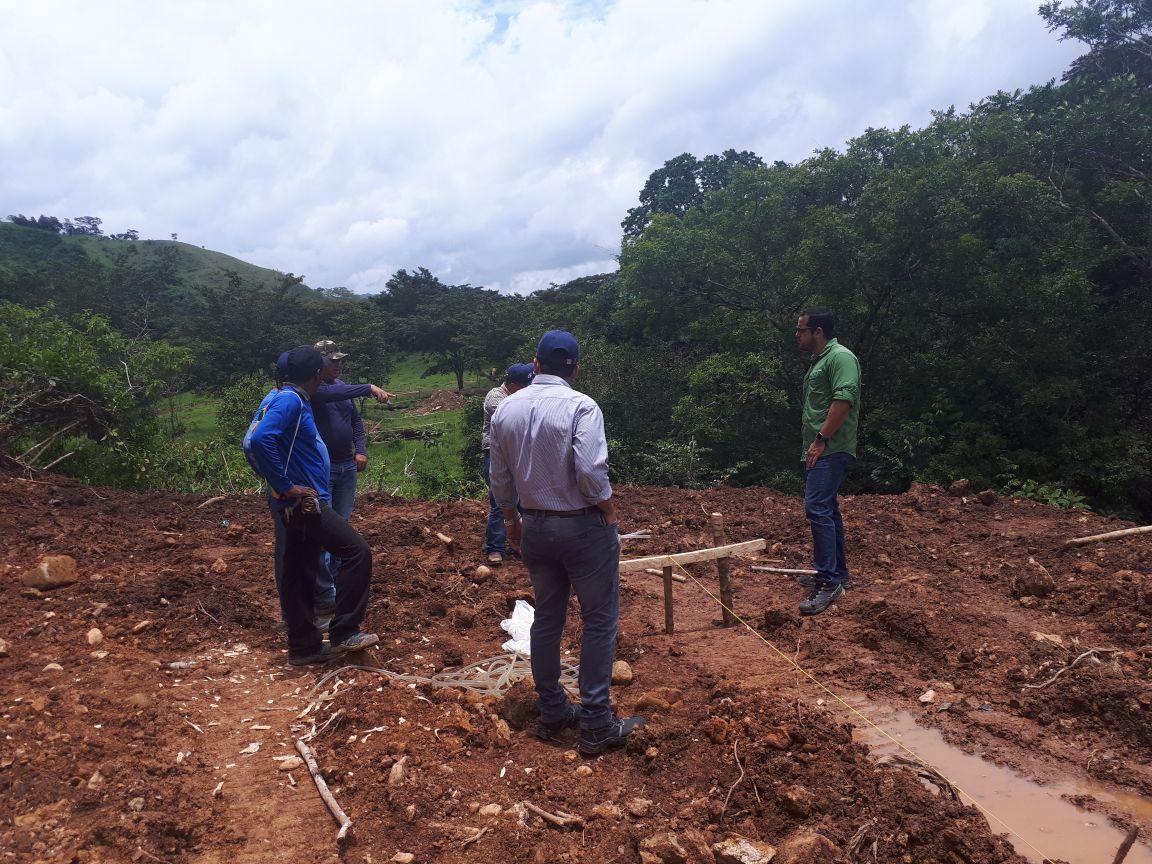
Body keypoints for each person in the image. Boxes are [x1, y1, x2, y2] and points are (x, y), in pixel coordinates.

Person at [489, 330, 645, 756]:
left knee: (547, 618)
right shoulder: (582, 406)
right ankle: (596, 723)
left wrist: (511, 520)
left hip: (535, 527)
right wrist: (609, 510)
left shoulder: (506, 409)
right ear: (575, 370)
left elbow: (500, 477)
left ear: (535, 365)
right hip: (581, 528)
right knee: (599, 621)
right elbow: (591, 471)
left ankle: (553, 709)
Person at [246, 346, 379, 665]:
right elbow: (259, 441)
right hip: (304, 502)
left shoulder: (277, 396)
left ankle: (304, 647)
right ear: (317, 375)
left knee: (299, 571)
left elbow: (251, 440)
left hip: (292, 502)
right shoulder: (291, 401)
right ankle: (345, 631)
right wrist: (285, 485)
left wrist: (278, 486)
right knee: (356, 552)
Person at [311, 340, 394, 619]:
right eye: (332, 360)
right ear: (319, 363)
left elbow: (355, 421)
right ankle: (323, 593)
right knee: (324, 528)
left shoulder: (342, 387)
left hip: (346, 465)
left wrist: (361, 449)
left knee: (341, 525)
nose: (338, 364)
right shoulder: (315, 390)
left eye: (340, 360)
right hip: (323, 468)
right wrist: (368, 387)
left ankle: (335, 582)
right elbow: (331, 394)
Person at [795, 308, 861, 616]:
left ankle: (829, 581)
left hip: (830, 448)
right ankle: (838, 574)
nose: (797, 335)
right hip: (823, 447)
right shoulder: (821, 360)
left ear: (818, 332)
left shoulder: (841, 358)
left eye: (801, 330)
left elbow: (843, 401)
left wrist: (821, 439)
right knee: (828, 509)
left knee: (817, 507)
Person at [480, 363, 535, 566]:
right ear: (512, 385)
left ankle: (520, 544)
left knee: (523, 502)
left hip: (517, 455)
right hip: (495, 456)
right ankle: (495, 548)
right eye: (525, 387)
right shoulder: (495, 397)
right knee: (500, 502)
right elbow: (512, 416)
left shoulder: (518, 397)